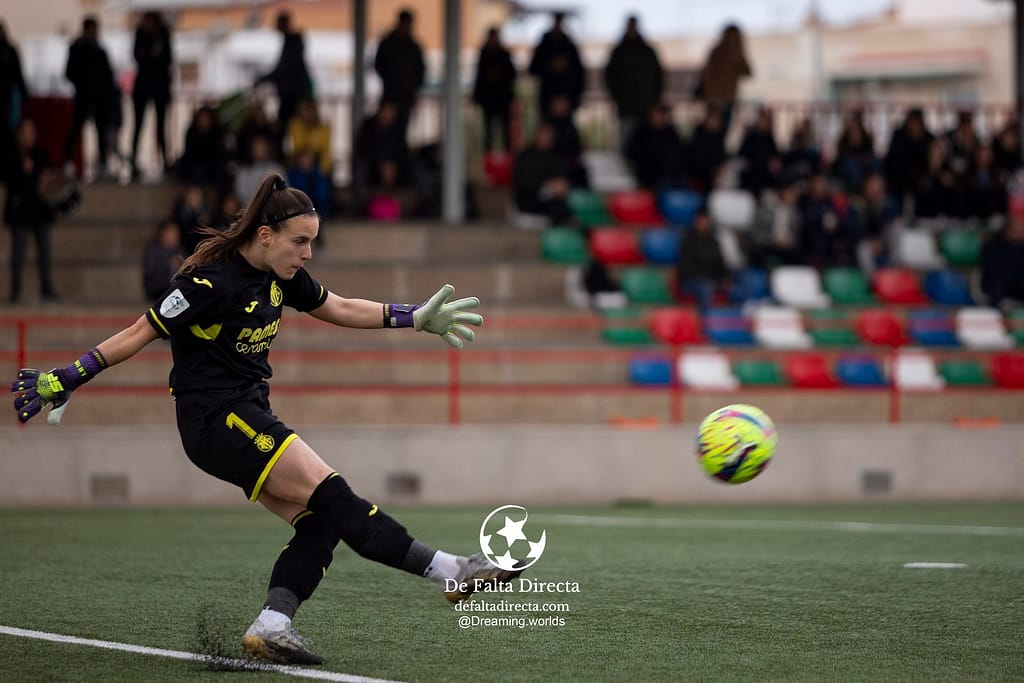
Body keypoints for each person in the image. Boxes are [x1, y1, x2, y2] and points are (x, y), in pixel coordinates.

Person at [8, 173, 519, 666]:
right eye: (300, 241)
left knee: (321, 524)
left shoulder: (281, 275)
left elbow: (339, 307)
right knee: (334, 495)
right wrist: (70, 375)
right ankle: (452, 569)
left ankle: (272, 625)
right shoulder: (210, 281)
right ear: (266, 235)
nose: (308, 253)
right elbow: (141, 330)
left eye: (311, 242)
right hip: (216, 419)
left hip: (246, 413)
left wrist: (413, 317)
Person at [4, 118, 59, 303]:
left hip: (39, 210)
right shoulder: (12, 156)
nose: (29, 136)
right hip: (20, 210)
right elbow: (8, 178)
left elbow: (50, 180)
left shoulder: (40, 155)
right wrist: (21, 170)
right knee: (18, 252)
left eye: (32, 132)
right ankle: (15, 290)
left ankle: (47, 288)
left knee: (44, 251)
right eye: (25, 132)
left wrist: (42, 175)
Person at [63, 16, 118, 178]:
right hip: (84, 97)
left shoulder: (100, 50)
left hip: (100, 99)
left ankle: (102, 163)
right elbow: (69, 72)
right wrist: (84, 85)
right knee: (76, 128)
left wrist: (107, 94)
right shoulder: (77, 49)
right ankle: (68, 161)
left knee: (101, 130)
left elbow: (108, 76)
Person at [603, 15, 664, 154]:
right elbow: (610, 78)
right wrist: (619, 98)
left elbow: (658, 78)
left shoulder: (647, 52)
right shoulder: (619, 52)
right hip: (626, 108)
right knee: (626, 146)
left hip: (646, 108)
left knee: (647, 148)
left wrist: (653, 101)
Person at [130, 11, 173, 180]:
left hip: (159, 88)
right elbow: (138, 58)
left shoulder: (163, 35)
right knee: (138, 125)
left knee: (161, 126)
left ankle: (165, 161)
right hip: (143, 88)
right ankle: (134, 160)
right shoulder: (140, 35)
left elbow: (167, 60)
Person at [373, 9, 425, 144]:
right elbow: (378, 65)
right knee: (386, 131)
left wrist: (413, 87)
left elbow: (421, 71)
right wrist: (391, 80)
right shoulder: (388, 44)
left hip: (406, 97)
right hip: (390, 96)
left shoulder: (413, 46)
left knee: (401, 132)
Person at [256, 11, 313, 129]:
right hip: (293, 95)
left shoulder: (292, 43)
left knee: (285, 128)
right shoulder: (292, 42)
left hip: (292, 96)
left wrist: (263, 79)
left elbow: (283, 70)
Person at [694, 24, 751, 135]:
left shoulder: (717, 52)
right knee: (717, 134)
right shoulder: (730, 54)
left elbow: (704, 75)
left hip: (714, 100)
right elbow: (747, 71)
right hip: (721, 100)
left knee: (713, 134)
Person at [528, 12, 585, 120]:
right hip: (548, 95)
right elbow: (533, 68)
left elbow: (578, 72)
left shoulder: (569, 46)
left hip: (567, 95)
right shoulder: (544, 46)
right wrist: (549, 66)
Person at [512, 122, 572, 224]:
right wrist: (547, 185)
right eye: (543, 135)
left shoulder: (556, 156)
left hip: (554, 197)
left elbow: (563, 176)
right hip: (530, 198)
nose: (546, 138)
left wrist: (561, 185)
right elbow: (525, 182)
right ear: (536, 136)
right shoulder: (525, 157)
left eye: (549, 136)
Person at [472, 27, 517, 153]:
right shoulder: (484, 54)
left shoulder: (504, 55)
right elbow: (479, 77)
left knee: (505, 130)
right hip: (488, 99)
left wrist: (499, 76)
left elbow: (512, 74)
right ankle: (488, 156)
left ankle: (506, 156)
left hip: (502, 99)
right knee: (488, 131)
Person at [676, 209, 729, 313]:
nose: (703, 224)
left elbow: (720, 263)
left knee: (736, 287)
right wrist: (706, 277)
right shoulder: (687, 241)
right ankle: (705, 318)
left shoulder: (713, 242)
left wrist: (726, 277)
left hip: (712, 280)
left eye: (706, 221)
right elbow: (685, 267)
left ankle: (732, 320)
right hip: (691, 281)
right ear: (695, 222)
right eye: (701, 221)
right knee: (705, 287)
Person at [0, 20, 29, 172]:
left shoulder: (9, 51)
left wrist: (24, 94)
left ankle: (18, 161)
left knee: (12, 129)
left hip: (7, 98)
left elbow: (18, 74)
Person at [980, 214, 1024, 308]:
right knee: (997, 287)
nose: (1021, 233)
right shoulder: (992, 247)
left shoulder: (1021, 248)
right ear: (1008, 230)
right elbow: (992, 272)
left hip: (1018, 286)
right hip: (998, 287)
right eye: (1018, 230)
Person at [141, 218, 185, 302]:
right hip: (158, 292)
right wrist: (169, 265)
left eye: (176, 233)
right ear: (162, 234)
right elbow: (151, 276)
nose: (174, 236)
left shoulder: (181, 251)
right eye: (170, 233)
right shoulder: (154, 251)